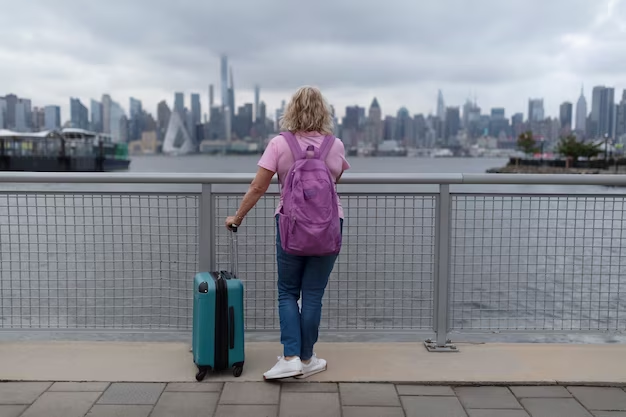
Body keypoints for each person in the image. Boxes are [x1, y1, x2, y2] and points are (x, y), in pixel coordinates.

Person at [225, 86, 350, 380]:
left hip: (291, 226)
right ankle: (307, 359)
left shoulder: (279, 144)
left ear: (291, 110)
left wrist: (237, 217)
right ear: (324, 111)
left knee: (287, 293)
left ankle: (291, 356)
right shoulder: (336, 145)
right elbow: (336, 179)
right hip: (329, 225)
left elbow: (258, 186)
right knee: (314, 295)